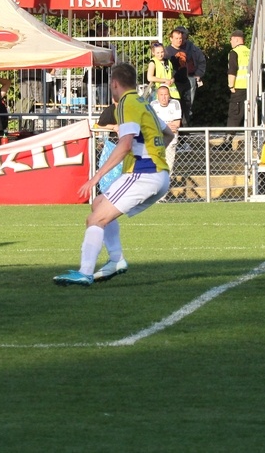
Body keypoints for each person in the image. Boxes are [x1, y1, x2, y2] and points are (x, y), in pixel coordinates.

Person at [52, 63, 174, 287]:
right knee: (98, 204)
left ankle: (85, 272)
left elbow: (125, 144)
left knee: (95, 219)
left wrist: (96, 177)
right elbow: (167, 133)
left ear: (115, 84)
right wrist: (152, 154)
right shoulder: (143, 102)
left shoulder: (125, 103)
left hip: (144, 174)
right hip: (158, 174)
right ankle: (116, 260)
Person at [164, 27, 205, 124]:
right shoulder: (166, 52)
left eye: (180, 38)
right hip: (173, 85)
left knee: (186, 108)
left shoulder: (189, 49)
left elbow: (201, 61)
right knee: (174, 108)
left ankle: (185, 131)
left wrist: (197, 74)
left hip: (186, 82)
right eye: (176, 38)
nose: (179, 40)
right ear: (171, 39)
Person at [150, 85, 182, 173]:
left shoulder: (175, 103)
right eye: (161, 95)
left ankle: (166, 184)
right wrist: (166, 126)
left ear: (169, 95)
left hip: (171, 138)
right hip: (157, 138)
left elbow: (176, 125)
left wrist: (160, 126)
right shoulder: (153, 104)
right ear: (157, 96)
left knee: (169, 164)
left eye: (166, 95)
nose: (164, 97)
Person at [227, 30, 250, 128]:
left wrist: (231, 85)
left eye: (231, 40)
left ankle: (228, 140)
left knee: (234, 114)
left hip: (239, 87)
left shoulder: (234, 52)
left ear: (236, 39)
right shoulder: (250, 51)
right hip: (250, 87)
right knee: (249, 113)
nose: (230, 42)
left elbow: (232, 70)